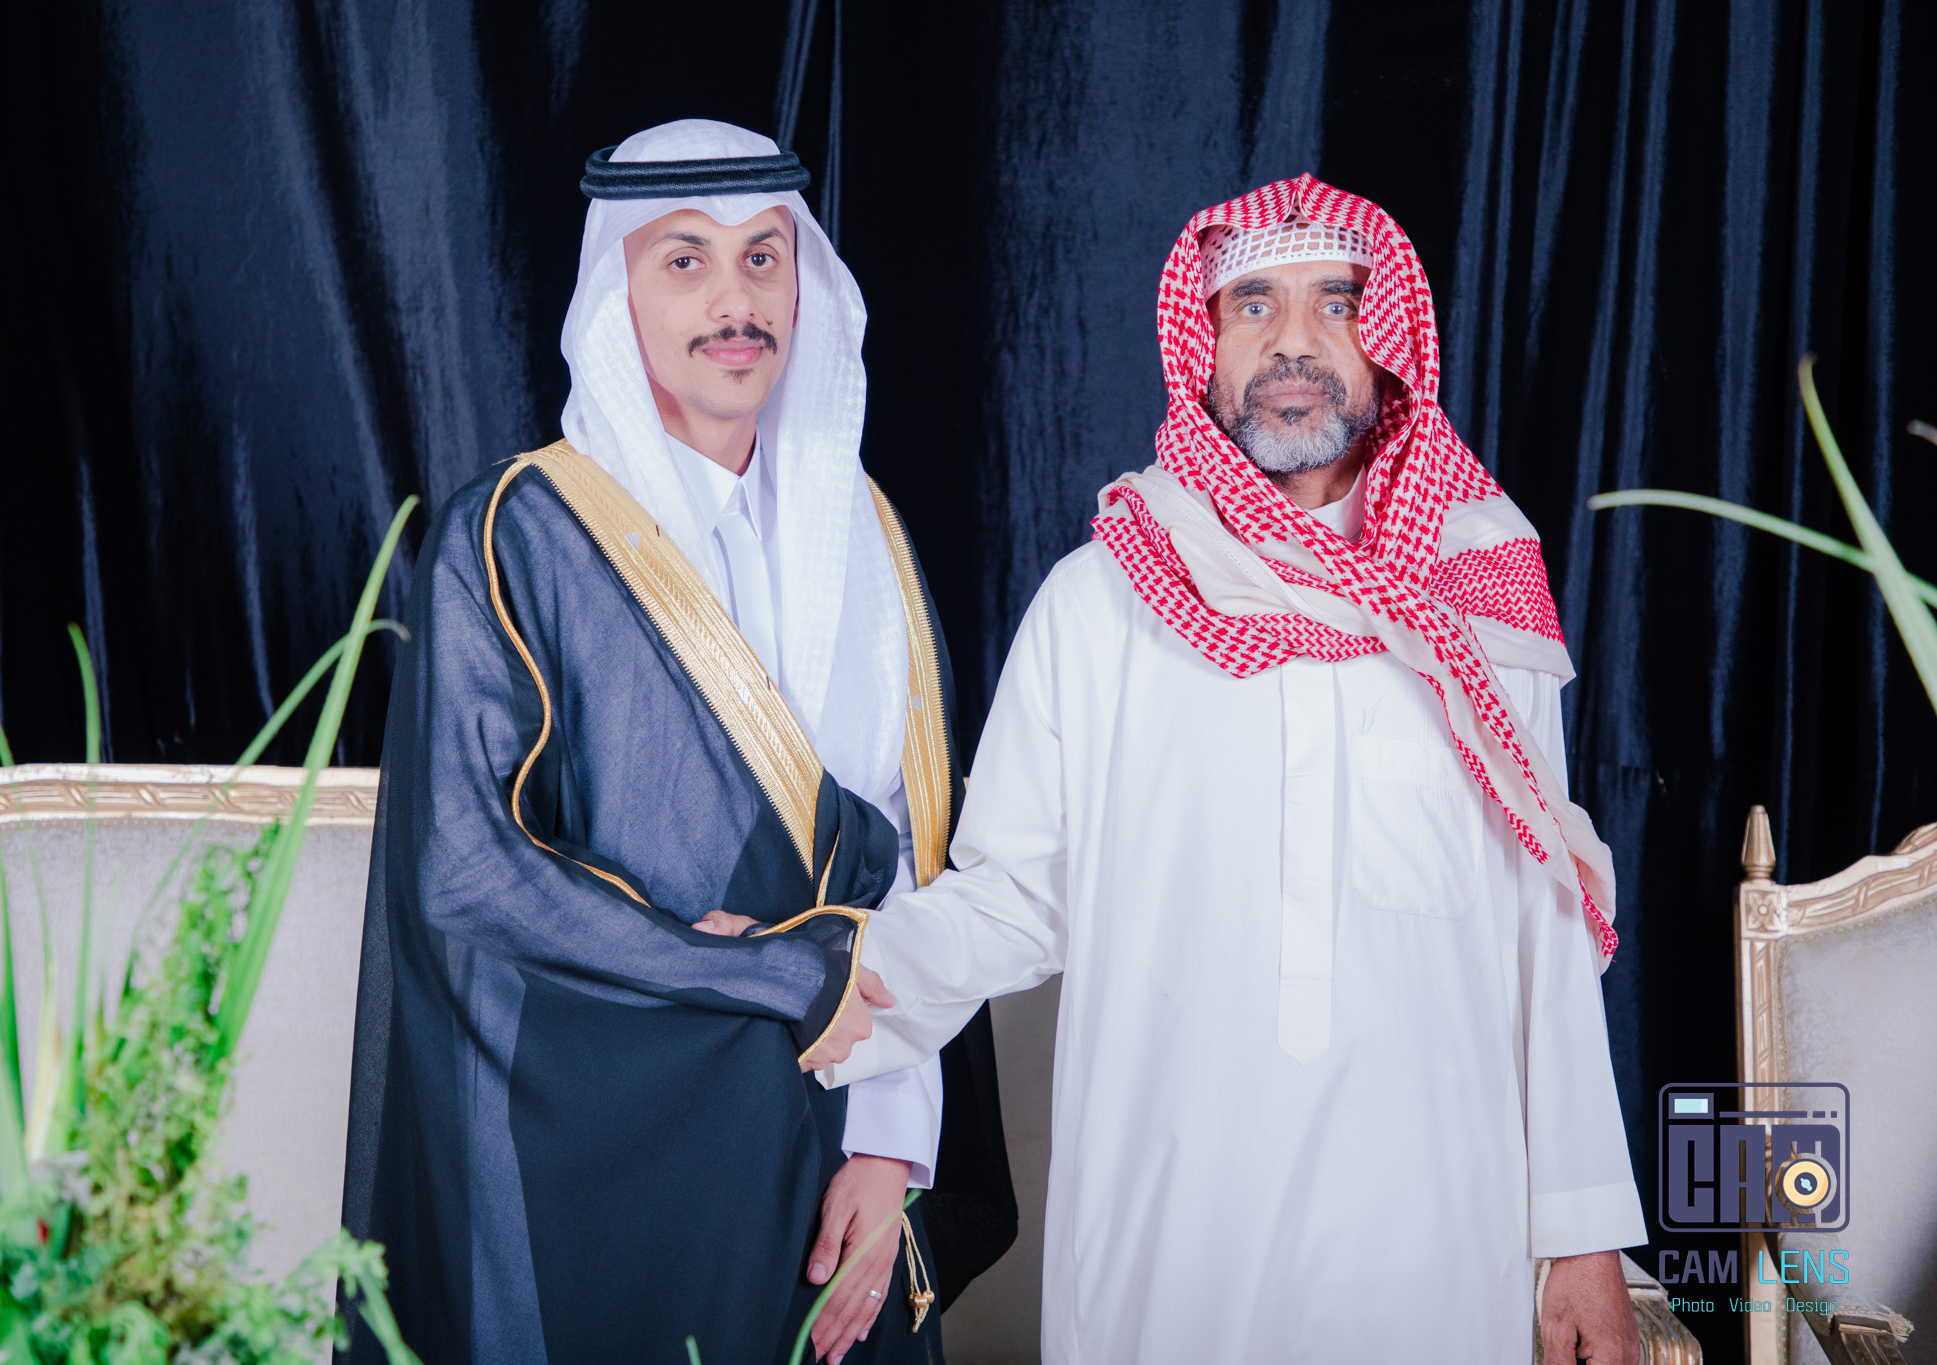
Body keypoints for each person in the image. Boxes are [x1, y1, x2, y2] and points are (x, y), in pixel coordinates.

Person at [818, 175, 1647, 1363]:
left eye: (1334, 302)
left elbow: (1543, 930)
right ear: (1199, 343)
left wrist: (1581, 1239)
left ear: (1387, 343)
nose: (1292, 341)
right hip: (1169, 1237)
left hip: (1428, 1241)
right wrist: (835, 976)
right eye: (1251, 305)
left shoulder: (1478, 594)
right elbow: (1014, 899)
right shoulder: (1101, 604)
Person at [341, 119, 1013, 1365]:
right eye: (685, 260)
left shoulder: (863, 535)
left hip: (836, 1137)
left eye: (763, 258)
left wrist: (891, 1144)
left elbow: (909, 863)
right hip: (598, 1151)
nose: (733, 302)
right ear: (618, 291)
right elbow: (468, 869)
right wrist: (774, 976)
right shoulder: (515, 533)